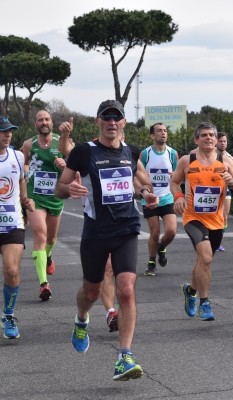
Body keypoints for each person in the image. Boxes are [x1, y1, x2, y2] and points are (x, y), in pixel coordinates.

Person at [55, 100, 158, 381]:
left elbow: (141, 181)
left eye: (117, 118)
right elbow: (59, 188)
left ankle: (124, 355)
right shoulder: (83, 153)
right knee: (91, 291)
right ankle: (81, 319)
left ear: (124, 123)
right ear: (98, 121)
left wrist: (147, 193)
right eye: (107, 117)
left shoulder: (131, 152)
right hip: (96, 232)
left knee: (126, 289)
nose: (112, 122)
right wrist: (69, 187)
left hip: (126, 228)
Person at [171, 122, 233, 321]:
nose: (209, 138)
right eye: (204, 135)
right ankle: (205, 302)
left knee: (203, 262)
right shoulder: (188, 161)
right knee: (205, 258)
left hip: (216, 220)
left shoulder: (226, 161)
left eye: (212, 135)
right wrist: (178, 196)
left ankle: (191, 291)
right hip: (193, 217)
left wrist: (232, 182)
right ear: (196, 139)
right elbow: (174, 181)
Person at [58, 117, 120, 333]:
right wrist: (65, 134)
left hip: (120, 222)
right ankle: (84, 316)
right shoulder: (88, 152)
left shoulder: (125, 152)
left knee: (111, 268)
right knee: (98, 278)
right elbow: (67, 149)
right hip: (96, 222)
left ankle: (111, 311)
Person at [20, 110, 68, 301]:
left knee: (52, 237)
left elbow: (72, 165)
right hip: (35, 196)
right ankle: (43, 283)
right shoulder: (29, 144)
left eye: (47, 119)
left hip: (55, 196)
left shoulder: (61, 142)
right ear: (36, 124)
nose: (44, 122)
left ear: (52, 122)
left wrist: (64, 164)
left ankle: (47, 256)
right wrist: (28, 171)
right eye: (40, 120)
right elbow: (23, 164)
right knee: (39, 232)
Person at [0, 117, 35, 340]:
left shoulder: (17, 156)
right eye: (3, 131)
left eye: (10, 131)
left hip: (12, 221)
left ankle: (9, 315)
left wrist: (25, 199)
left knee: (11, 270)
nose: (8, 135)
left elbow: (21, 180)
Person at [140, 122, 178, 276]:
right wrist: (144, 181)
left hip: (167, 197)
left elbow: (178, 176)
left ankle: (162, 246)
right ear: (152, 135)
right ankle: (151, 261)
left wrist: (175, 176)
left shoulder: (172, 154)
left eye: (165, 131)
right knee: (154, 232)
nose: (163, 133)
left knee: (171, 231)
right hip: (150, 198)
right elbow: (138, 174)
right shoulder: (145, 154)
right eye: (159, 131)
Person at [216, 132, 233, 251]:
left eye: (225, 141)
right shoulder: (210, 155)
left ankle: (218, 241)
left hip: (226, 189)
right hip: (212, 190)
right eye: (221, 141)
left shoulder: (231, 158)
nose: (223, 143)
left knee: (225, 216)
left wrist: (232, 182)